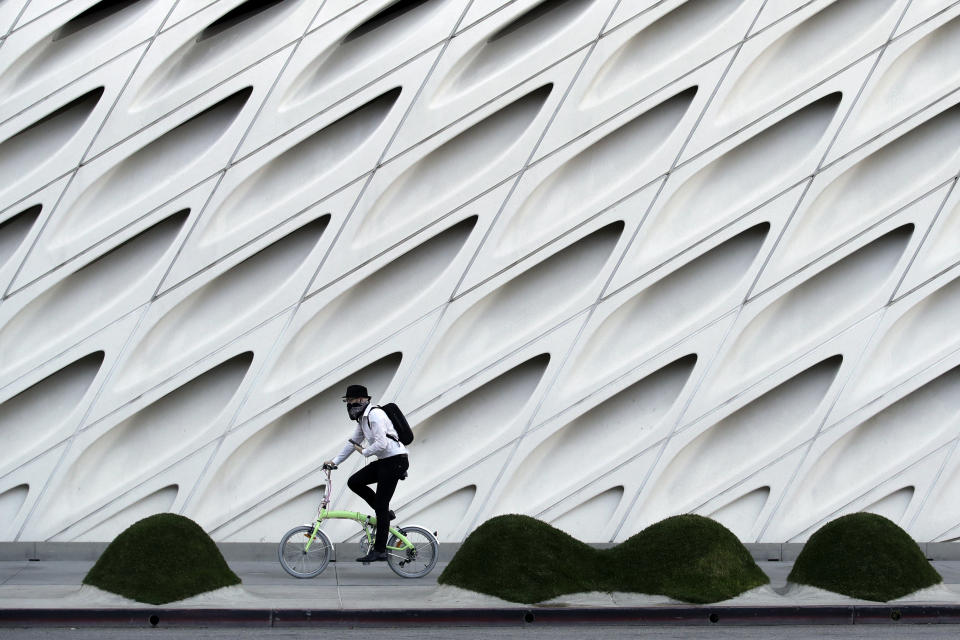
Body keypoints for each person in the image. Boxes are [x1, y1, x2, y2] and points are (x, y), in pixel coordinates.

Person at [323, 384, 409, 563]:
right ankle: (384, 512)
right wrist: (335, 461)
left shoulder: (375, 416)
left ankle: (380, 551)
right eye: (347, 401)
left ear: (362, 400)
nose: (349, 404)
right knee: (354, 482)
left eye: (351, 400)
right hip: (386, 461)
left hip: (395, 460)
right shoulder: (363, 418)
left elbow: (382, 444)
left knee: (381, 505)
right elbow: (353, 442)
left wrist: (364, 452)